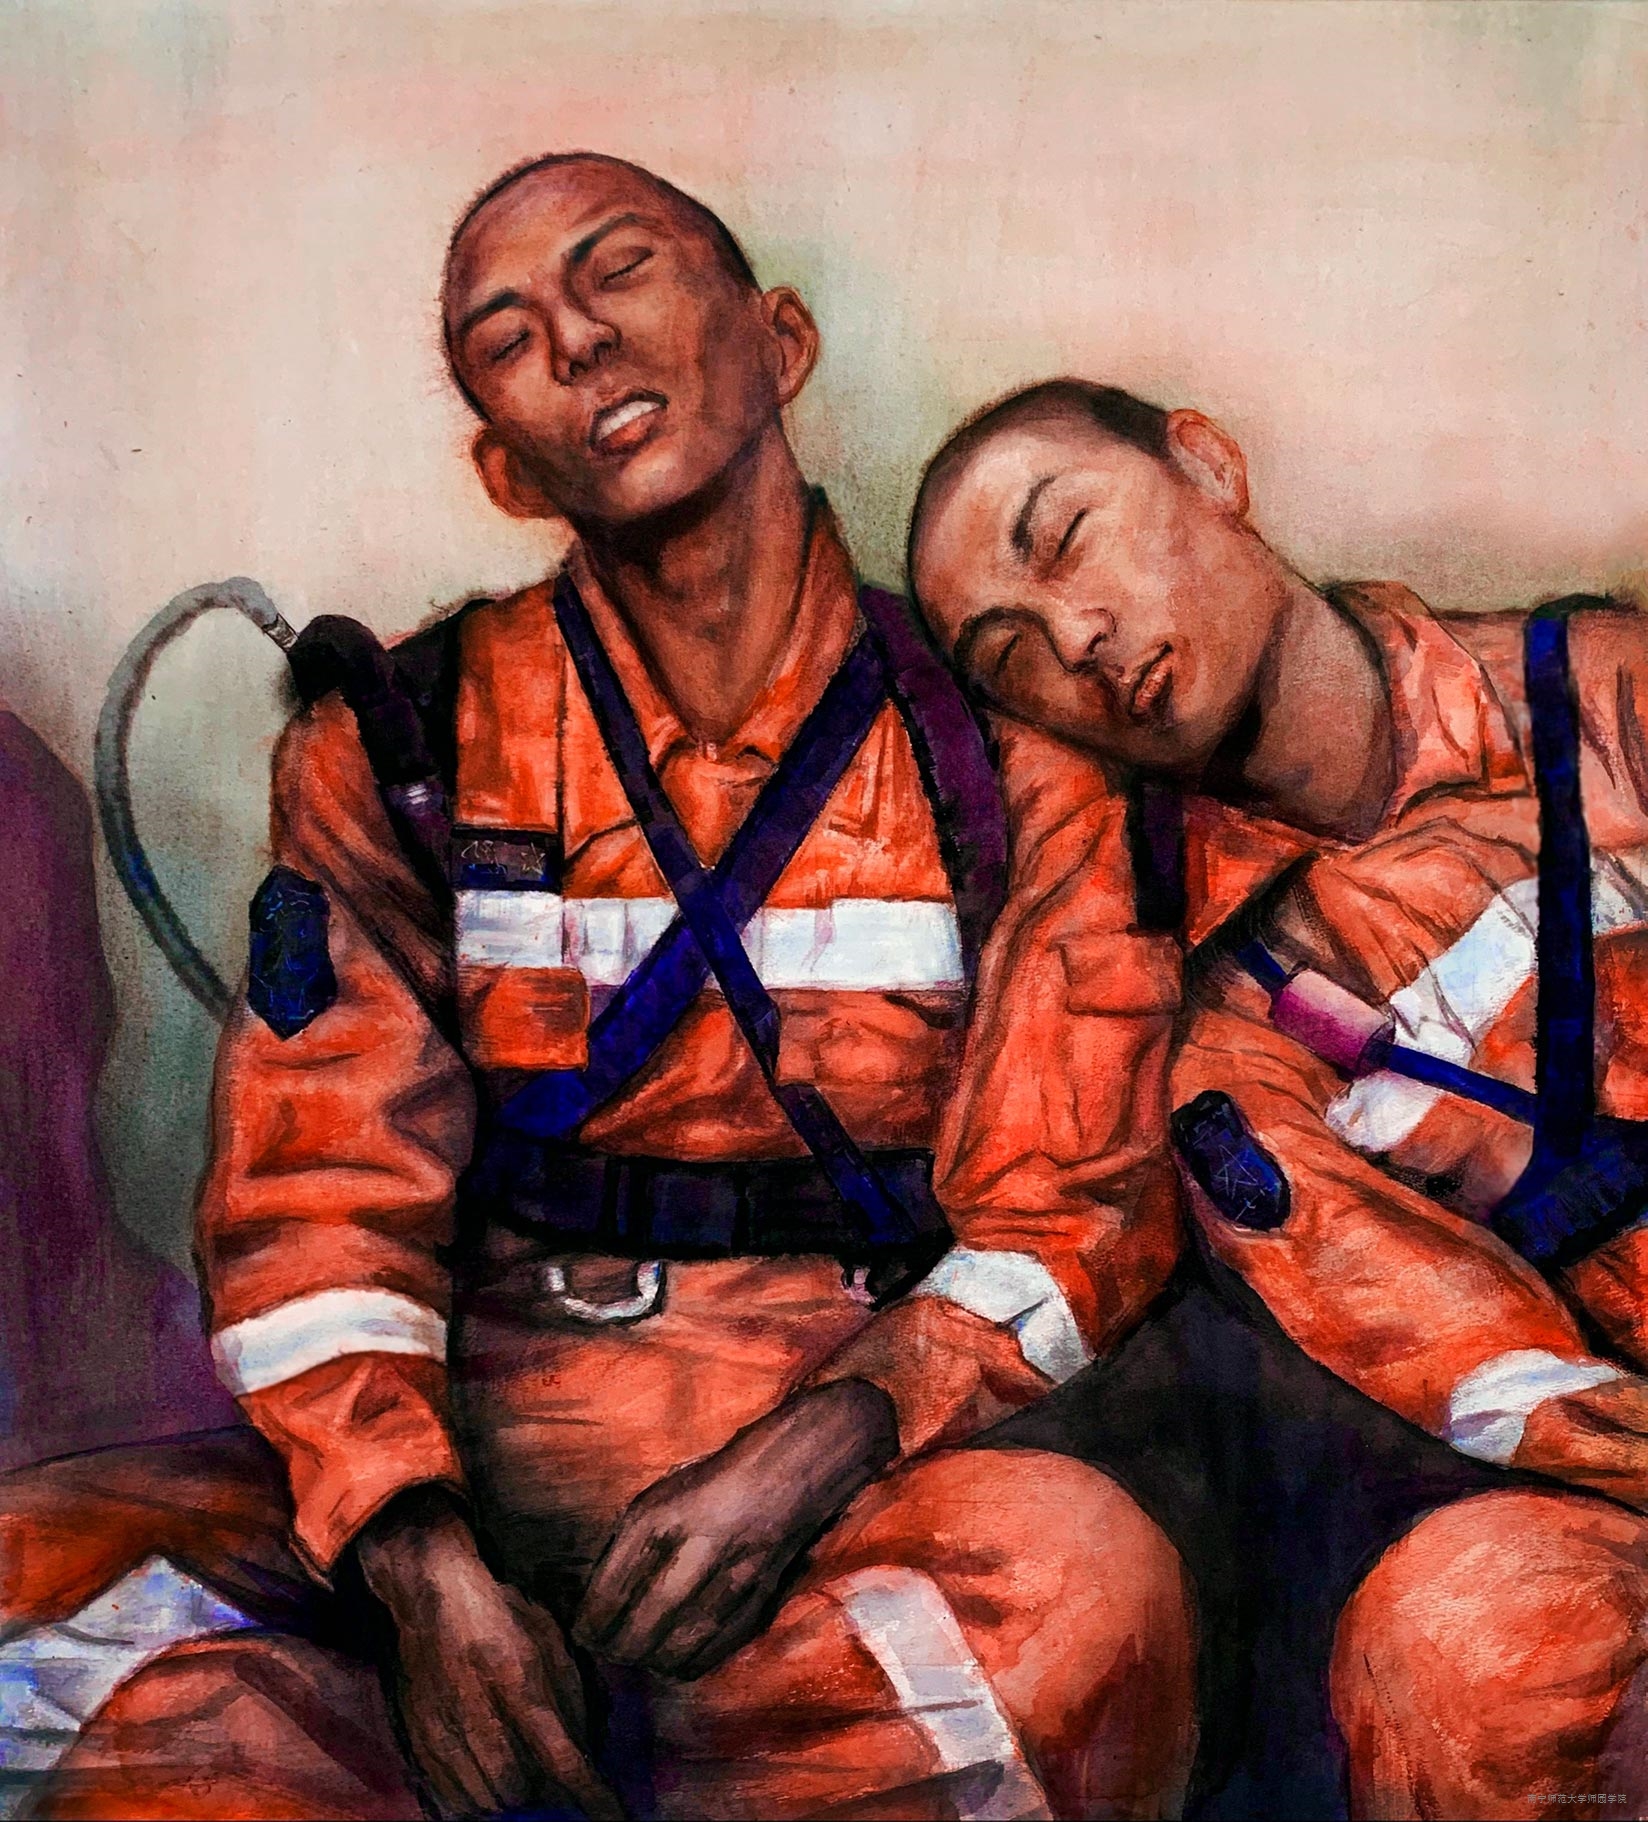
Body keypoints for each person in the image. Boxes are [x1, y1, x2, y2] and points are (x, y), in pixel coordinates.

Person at [8, 166, 1194, 1822]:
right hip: (468, 1488)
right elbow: (315, 1196)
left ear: (780, 342)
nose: (575, 341)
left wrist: (829, 1435)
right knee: (53, 1631)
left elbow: (1078, 1203)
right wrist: (419, 1560)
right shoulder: (395, 741)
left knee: (1086, 1603)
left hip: (852, 1502)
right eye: (509, 339)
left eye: (619, 270)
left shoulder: (998, 742)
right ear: (505, 466)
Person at [906, 377, 1648, 1820]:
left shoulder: (1601, 690)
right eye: (1010, 656)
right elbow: (1477, 1360)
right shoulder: (1234, 1052)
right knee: (1456, 1645)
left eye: (1065, 538)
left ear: (1208, 464)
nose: (1076, 641)